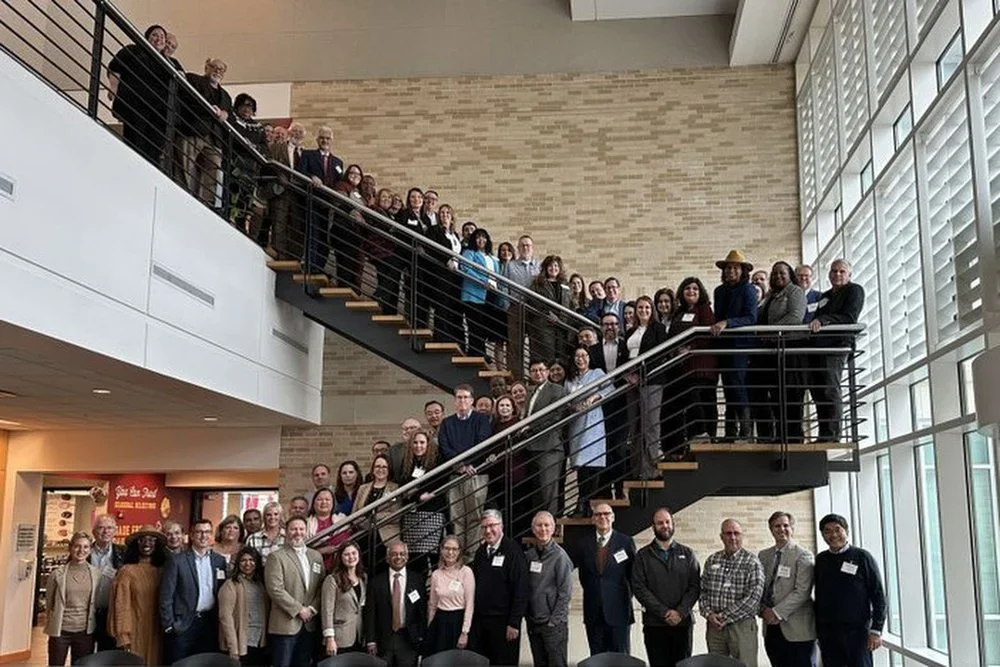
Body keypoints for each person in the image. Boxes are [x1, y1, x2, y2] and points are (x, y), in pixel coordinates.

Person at [632, 508, 701, 667]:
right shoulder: (642, 555)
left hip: (682, 624)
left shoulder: (687, 554)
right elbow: (639, 588)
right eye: (660, 523)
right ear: (653, 527)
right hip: (654, 625)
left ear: (673, 524)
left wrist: (680, 612)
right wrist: (663, 612)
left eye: (667, 522)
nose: (664, 526)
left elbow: (694, 586)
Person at [814, 513, 886, 667]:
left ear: (846, 531)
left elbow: (878, 595)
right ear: (823, 535)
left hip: (858, 633)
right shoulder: (821, 560)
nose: (833, 535)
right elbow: (819, 596)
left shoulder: (863, 557)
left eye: (837, 529)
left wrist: (876, 630)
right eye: (827, 531)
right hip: (829, 634)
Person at [807, 259, 865, 441]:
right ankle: (824, 433)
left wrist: (825, 320)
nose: (837, 274)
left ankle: (833, 434)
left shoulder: (854, 290)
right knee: (818, 391)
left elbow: (850, 317)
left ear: (849, 275)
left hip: (837, 346)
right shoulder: (825, 295)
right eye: (834, 271)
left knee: (830, 388)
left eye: (841, 271)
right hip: (818, 348)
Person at [571, 503, 637, 656]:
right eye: (598, 514)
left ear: (613, 517)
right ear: (593, 519)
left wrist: (620, 597)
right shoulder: (583, 544)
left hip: (619, 612)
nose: (602, 517)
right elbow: (584, 577)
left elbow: (633, 576)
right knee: (597, 659)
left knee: (621, 659)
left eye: (606, 514)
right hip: (593, 613)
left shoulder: (626, 542)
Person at [160, 519, 228, 663]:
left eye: (207, 532)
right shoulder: (177, 561)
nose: (203, 536)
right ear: (191, 535)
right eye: (199, 532)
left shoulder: (219, 561)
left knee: (205, 663)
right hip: (183, 624)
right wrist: (169, 625)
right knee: (179, 663)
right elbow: (166, 595)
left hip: (209, 623)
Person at [753, 261, 807, 442]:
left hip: (790, 350)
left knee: (791, 395)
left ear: (790, 274)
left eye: (782, 273)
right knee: (776, 396)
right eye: (775, 273)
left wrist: (770, 331)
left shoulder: (795, 292)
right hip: (772, 352)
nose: (778, 276)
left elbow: (795, 317)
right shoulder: (770, 296)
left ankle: (794, 437)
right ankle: (779, 435)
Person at [700, 518, 765, 667]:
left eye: (736, 533)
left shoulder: (752, 562)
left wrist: (723, 617)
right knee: (716, 665)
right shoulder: (712, 560)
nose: (733, 537)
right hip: (714, 628)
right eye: (728, 533)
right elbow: (702, 591)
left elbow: (753, 598)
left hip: (741, 626)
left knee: (745, 664)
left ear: (742, 536)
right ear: (721, 536)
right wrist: (709, 614)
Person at [663, 277, 718, 452]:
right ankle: (691, 438)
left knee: (700, 399)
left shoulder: (704, 309)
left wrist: (689, 348)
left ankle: (705, 433)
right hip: (682, 367)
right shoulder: (679, 312)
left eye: (695, 288)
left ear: (700, 292)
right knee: (684, 402)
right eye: (687, 288)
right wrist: (675, 352)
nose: (691, 291)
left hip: (702, 365)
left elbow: (707, 334)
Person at [438, 384, 492, 560]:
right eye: (459, 397)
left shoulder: (481, 420)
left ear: (472, 400)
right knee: (457, 518)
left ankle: (472, 558)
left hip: (476, 474)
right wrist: (460, 465)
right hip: (456, 475)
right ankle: (458, 557)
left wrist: (468, 464)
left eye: (466, 397)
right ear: (454, 401)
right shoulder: (447, 423)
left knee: (475, 517)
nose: (462, 400)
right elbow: (444, 447)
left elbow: (482, 444)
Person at [470, 510, 529, 666]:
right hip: (481, 623)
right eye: (484, 527)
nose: (488, 531)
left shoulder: (513, 551)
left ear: (501, 526)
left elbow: (521, 589)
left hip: (504, 624)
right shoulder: (480, 552)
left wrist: (514, 623)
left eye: (492, 526)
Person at [712, 250, 759, 442]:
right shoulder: (719, 291)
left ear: (742, 271)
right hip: (723, 345)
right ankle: (730, 431)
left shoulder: (748, 290)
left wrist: (728, 323)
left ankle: (746, 429)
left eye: (735, 268)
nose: (731, 271)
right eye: (728, 268)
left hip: (741, 345)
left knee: (737, 384)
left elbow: (751, 317)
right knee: (728, 387)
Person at [264, 516, 325, 667]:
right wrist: (299, 609)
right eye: (293, 529)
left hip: (309, 624)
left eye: (301, 529)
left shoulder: (316, 556)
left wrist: (312, 609)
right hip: (285, 624)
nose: (298, 532)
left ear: (306, 531)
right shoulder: (276, 557)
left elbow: (321, 586)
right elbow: (275, 589)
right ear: (286, 532)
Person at [758, 512, 816, 667]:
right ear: (771, 529)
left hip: (797, 629)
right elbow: (760, 587)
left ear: (792, 529)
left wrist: (776, 612)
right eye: (777, 526)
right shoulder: (763, 556)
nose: (781, 529)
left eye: (786, 525)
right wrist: (762, 609)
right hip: (771, 627)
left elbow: (802, 591)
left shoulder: (803, 555)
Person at [106, 25, 171, 165]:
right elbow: (115, 67)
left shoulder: (168, 61)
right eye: (155, 35)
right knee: (135, 144)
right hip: (135, 107)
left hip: (158, 113)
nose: (158, 38)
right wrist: (113, 88)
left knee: (154, 150)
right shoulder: (133, 50)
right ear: (147, 37)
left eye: (162, 36)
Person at [624, 295, 670, 479]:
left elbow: (660, 355)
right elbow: (625, 355)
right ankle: (639, 471)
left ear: (652, 311)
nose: (643, 311)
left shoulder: (658, 329)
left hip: (651, 380)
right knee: (635, 426)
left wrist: (640, 375)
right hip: (631, 383)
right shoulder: (630, 331)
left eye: (647, 308)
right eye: (640, 307)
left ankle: (653, 468)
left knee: (650, 424)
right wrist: (627, 374)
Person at [565, 345, 613, 515]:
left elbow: (610, 388)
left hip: (593, 421)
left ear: (589, 358)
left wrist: (594, 397)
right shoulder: (570, 379)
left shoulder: (597, 373)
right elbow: (565, 400)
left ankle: (585, 502)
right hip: (576, 422)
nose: (581, 359)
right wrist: (573, 406)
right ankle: (582, 503)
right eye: (577, 356)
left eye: (584, 355)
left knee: (591, 464)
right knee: (581, 465)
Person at [109, 526, 167, 666]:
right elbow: (120, 606)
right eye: (142, 540)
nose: (147, 543)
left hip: (157, 633)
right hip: (134, 632)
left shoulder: (163, 571)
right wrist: (123, 636)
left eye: (151, 540)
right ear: (136, 544)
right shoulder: (126, 571)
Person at [365, 541, 427, 667]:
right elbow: (370, 613)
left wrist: (420, 635)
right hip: (383, 639)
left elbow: (422, 610)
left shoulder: (417, 580)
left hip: (409, 639)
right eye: (394, 554)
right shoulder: (376, 582)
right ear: (387, 558)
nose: (398, 557)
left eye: (402, 554)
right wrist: (371, 640)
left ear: (407, 557)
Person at [178, 58, 230, 206]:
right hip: (193, 130)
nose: (218, 71)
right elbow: (186, 99)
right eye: (214, 67)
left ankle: (207, 204)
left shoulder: (225, 96)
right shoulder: (193, 79)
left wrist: (225, 114)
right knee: (186, 166)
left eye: (221, 69)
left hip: (215, 138)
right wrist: (211, 110)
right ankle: (183, 198)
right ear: (206, 67)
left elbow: (230, 115)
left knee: (214, 169)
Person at [524, 512, 573, 667]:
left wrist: (554, 622)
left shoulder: (560, 557)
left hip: (553, 626)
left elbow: (565, 594)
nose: (543, 529)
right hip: (534, 623)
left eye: (547, 525)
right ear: (533, 529)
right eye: (539, 525)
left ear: (553, 529)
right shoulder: (529, 555)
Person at [45, 532, 101, 666]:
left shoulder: (97, 574)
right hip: (60, 631)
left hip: (85, 632)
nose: (81, 550)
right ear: (70, 548)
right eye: (77, 546)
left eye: (86, 547)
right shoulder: (57, 575)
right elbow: (49, 603)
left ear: (90, 550)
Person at [589, 312, 630, 496]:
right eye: (606, 324)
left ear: (619, 327)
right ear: (601, 327)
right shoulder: (593, 350)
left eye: (613, 324)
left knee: (619, 447)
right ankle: (605, 492)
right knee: (603, 447)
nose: (610, 327)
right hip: (601, 404)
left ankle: (620, 489)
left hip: (623, 401)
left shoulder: (626, 346)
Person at [523, 359, 567, 513]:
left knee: (548, 491)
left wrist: (530, 428)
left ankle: (551, 521)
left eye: (541, 370)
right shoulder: (531, 392)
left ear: (547, 372)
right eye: (534, 370)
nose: (538, 373)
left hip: (549, 447)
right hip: (531, 447)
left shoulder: (556, 389)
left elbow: (556, 416)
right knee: (536, 492)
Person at [398, 431, 446, 569]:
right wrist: (418, 496)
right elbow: (403, 486)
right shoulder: (407, 462)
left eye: (422, 442)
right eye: (415, 442)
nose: (418, 446)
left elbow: (437, 483)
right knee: (413, 557)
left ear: (428, 444)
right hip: (411, 514)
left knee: (431, 555)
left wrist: (416, 493)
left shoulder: (436, 461)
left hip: (431, 513)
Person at [299, 126, 344, 272]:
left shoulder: (338, 162)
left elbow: (340, 182)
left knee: (325, 236)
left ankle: (320, 266)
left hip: (329, 205)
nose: (325, 141)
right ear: (317, 139)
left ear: (332, 141)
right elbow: (301, 172)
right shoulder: (307, 155)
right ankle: (311, 265)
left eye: (328, 138)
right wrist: (311, 177)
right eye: (322, 138)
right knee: (313, 233)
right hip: (313, 200)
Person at [425, 535, 476, 656]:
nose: (450, 552)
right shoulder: (436, 574)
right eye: (447, 548)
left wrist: (465, 632)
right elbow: (432, 605)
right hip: (440, 621)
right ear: (441, 550)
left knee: (456, 659)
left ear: (459, 551)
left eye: (454, 549)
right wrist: (430, 627)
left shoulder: (466, 572)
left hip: (458, 621)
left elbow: (470, 604)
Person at [219, 546, 270, 666]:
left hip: (260, 641)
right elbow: (225, 617)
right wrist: (233, 647)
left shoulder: (261, 584)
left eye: (251, 560)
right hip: (241, 643)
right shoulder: (231, 585)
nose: (247, 564)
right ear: (238, 563)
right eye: (243, 560)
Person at [425, 203, 465, 345]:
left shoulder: (455, 235)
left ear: (452, 217)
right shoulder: (434, 230)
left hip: (456, 275)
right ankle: (441, 336)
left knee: (454, 306)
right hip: (442, 273)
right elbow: (432, 249)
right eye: (442, 212)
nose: (445, 215)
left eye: (448, 213)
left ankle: (456, 338)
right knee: (442, 304)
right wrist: (446, 260)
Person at [503, 235, 541, 376]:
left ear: (532, 248)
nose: (525, 248)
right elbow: (503, 285)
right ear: (518, 248)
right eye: (522, 245)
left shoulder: (540, 266)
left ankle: (535, 378)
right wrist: (507, 305)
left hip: (535, 310)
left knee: (536, 345)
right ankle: (516, 379)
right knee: (515, 345)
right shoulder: (510, 265)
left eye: (528, 245)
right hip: (516, 308)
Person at [461, 227, 501, 359]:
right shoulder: (469, 252)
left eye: (484, 237)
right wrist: (482, 281)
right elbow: (465, 268)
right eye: (478, 237)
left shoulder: (492, 257)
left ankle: (481, 352)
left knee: (483, 325)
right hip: (473, 294)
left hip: (490, 295)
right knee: (475, 325)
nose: (481, 240)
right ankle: (475, 353)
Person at [321, 541, 367, 656]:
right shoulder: (332, 579)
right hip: (339, 638)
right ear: (340, 558)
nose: (351, 557)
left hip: (359, 635)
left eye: (354, 553)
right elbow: (327, 611)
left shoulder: (363, 578)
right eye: (346, 554)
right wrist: (330, 638)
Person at [354, 453, 401, 567]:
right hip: (364, 534)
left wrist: (374, 517)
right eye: (377, 466)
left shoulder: (395, 488)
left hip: (385, 537)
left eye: (384, 467)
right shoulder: (363, 488)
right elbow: (354, 513)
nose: (381, 469)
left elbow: (396, 515)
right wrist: (363, 522)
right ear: (373, 469)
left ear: (389, 470)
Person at [395, 187, 431, 330]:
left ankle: (422, 323)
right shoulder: (404, 214)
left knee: (423, 291)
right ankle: (411, 320)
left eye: (419, 197)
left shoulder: (426, 218)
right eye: (413, 197)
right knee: (411, 289)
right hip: (409, 257)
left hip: (424, 261)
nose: (416, 200)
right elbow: (401, 234)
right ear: (409, 200)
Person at [88, 514, 125, 651]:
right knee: (85, 655)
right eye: (101, 528)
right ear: (94, 531)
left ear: (115, 531)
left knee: (107, 654)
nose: (105, 532)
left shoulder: (123, 553)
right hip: (87, 613)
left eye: (109, 528)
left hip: (111, 613)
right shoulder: (84, 551)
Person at [530, 255, 573, 363]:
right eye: (550, 265)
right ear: (545, 267)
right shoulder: (537, 283)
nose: (553, 268)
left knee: (562, 358)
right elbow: (533, 301)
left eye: (556, 265)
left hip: (562, 326)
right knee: (547, 357)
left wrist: (563, 320)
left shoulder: (566, 284)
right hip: (545, 325)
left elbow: (570, 304)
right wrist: (548, 314)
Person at [307, 488, 349, 572]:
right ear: (314, 503)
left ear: (333, 503)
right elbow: (301, 548)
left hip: (339, 566)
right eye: (319, 499)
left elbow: (346, 543)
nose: (324, 502)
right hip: (312, 567)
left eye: (327, 499)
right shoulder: (306, 523)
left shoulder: (342, 520)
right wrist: (321, 551)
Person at [389, 417, 422, 483]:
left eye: (412, 428)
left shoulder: (428, 447)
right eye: (405, 429)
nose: (408, 431)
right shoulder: (394, 450)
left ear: (420, 430)